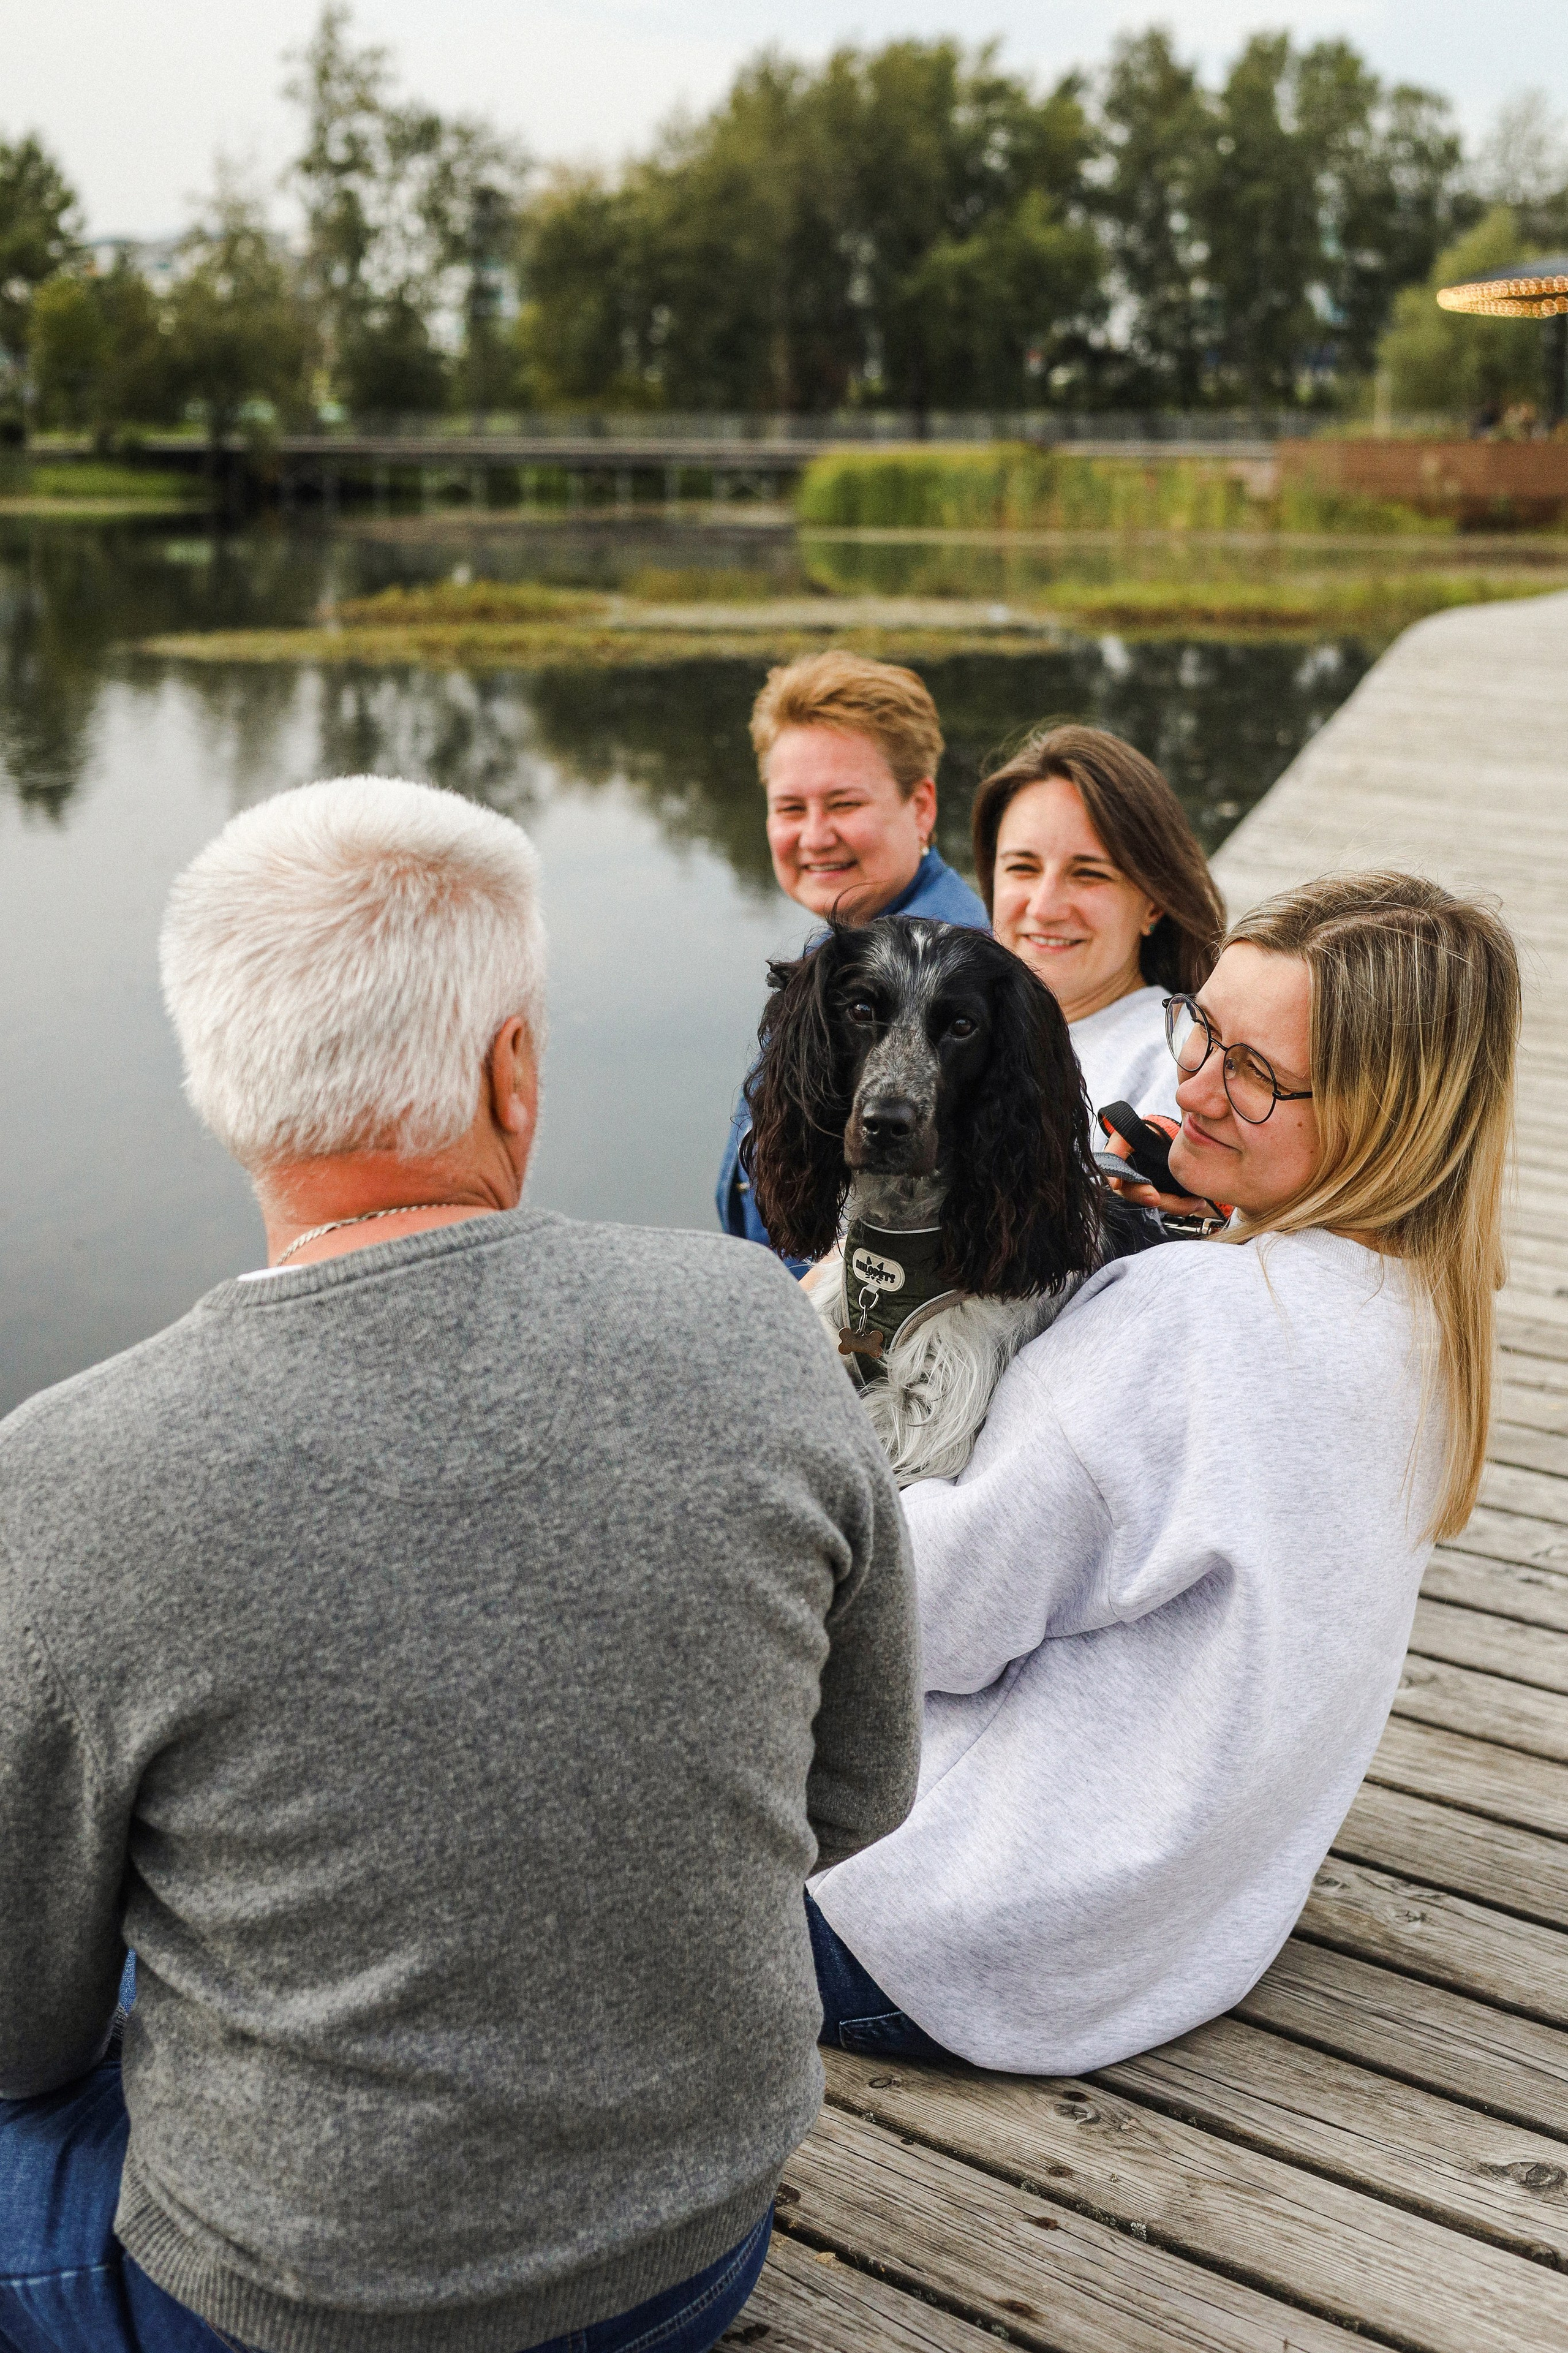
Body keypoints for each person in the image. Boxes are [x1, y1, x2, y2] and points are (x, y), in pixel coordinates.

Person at [0, 775, 920, 2353]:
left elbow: (23, 2023)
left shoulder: (68, 1468)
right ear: (513, 1068)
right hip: (697, 2246)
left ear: (215, 1077)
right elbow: (858, 1788)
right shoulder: (752, 1320)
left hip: (289, 2310)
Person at [803, 871, 1518, 2073]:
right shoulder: (1429, 1325)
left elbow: (917, 1616)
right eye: (1200, 1029)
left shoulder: (1196, 1320)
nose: (1186, 1088)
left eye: (1254, 1075)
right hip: (1169, 1936)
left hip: (937, 1935)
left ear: (1384, 1118)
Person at [717, 652, 988, 1263]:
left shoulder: (951, 979)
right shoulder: (846, 947)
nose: (813, 836)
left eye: (842, 804)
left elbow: (893, 1249)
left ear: (920, 807)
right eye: (790, 807)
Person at [970, 723, 1224, 1123]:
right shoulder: (958, 1031)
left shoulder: (1173, 1068)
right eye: (1022, 867)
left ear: (1153, 905)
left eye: (1089, 874)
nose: (1044, 908)